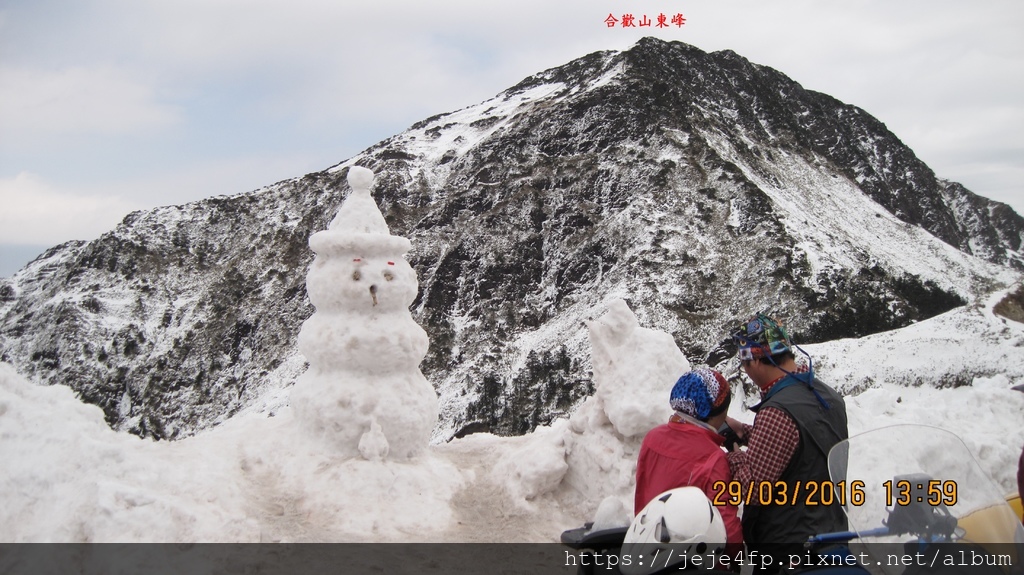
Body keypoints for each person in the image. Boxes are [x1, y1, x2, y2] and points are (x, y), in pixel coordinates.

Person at [723, 313, 848, 570]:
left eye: (745, 364)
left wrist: (735, 455)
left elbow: (755, 491)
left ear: (756, 361)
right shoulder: (828, 395)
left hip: (791, 549)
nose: (746, 371)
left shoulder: (776, 412)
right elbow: (803, 446)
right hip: (833, 533)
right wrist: (747, 432)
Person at [634, 368, 743, 549]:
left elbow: (642, 494)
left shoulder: (652, 438)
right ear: (718, 414)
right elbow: (726, 525)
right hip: (691, 559)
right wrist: (735, 558)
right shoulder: (714, 458)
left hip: (648, 546)